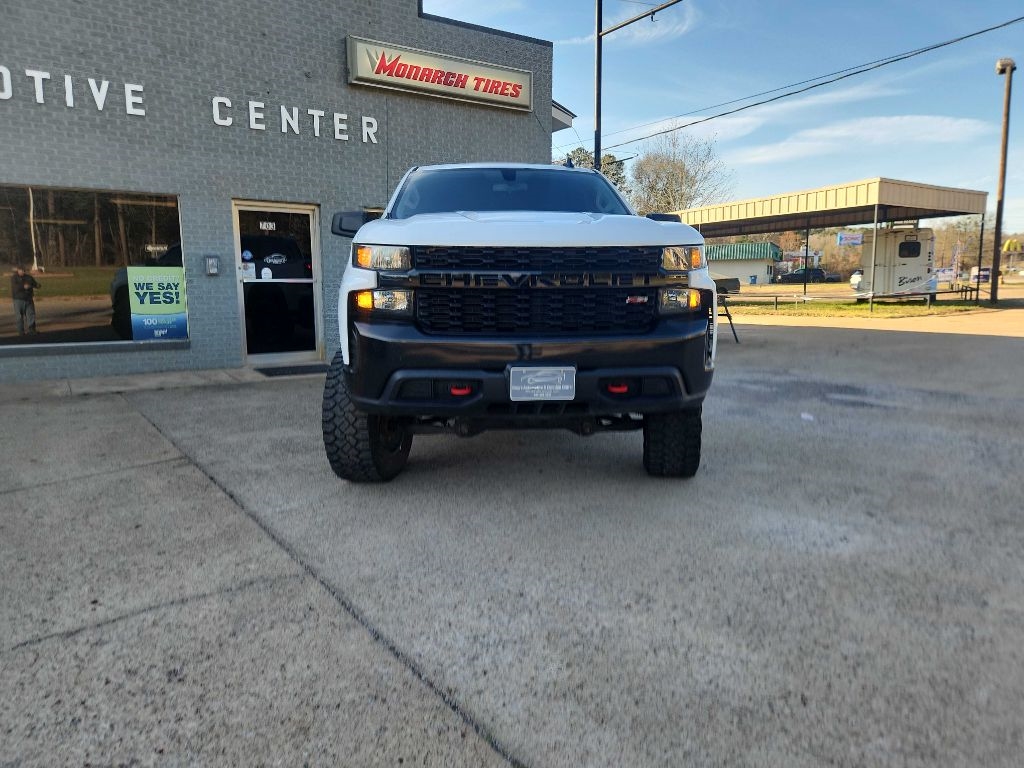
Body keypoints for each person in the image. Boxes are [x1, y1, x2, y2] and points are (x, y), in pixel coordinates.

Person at [11, 265, 40, 335]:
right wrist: (23, 286)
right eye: (21, 270)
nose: (22, 271)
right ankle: (21, 331)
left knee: (31, 315)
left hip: (28, 299)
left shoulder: (29, 277)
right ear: (18, 270)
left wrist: (37, 285)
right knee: (19, 317)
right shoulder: (14, 278)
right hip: (18, 300)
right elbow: (15, 287)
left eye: (23, 270)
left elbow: (35, 284)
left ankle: (32, 330)